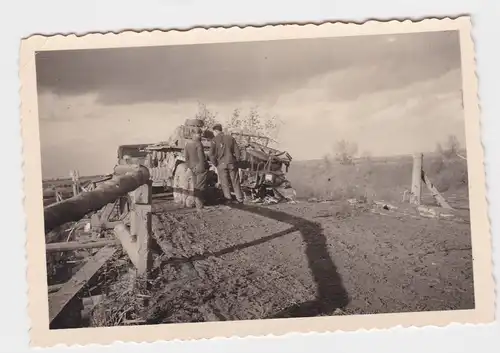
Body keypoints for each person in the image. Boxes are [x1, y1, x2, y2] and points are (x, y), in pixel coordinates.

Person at [209, 123, 244, 204]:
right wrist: (237, 161)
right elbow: (237, 152)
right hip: (232, 163)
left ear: (215, 131)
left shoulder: (214, 140)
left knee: (225, 183)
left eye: (213, 132)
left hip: (221, 164)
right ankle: (240, 199)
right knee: (235, 181)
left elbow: (211, 154)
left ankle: (228, 200)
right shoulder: (230, 138)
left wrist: (215, 163)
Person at [184, 127, 208, 210]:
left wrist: (190, 167)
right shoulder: (198, 143)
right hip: (200, 167)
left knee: (195, 186)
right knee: (200, 187)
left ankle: (194, 203)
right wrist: (204, 166)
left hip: (192, 168)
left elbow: (186, 158)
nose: (200, 135)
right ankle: (199, 206)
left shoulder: (187, 144)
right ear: (194, 134)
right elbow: (201, 157)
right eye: (199, 133)